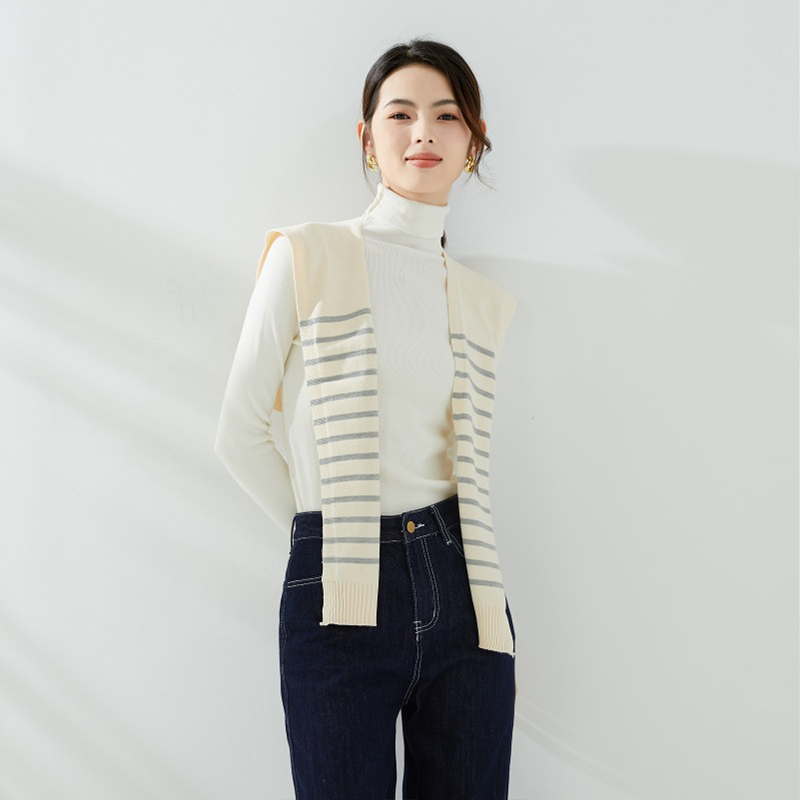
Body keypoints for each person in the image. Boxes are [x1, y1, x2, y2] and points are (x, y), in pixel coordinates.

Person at [215, 37, 519, 800]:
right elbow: (240, 432)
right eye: (401, 114)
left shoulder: (482, 303)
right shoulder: (306, 255)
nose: (424, 133)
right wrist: (327, 539)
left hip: (467, 588)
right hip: (339, 589)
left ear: (474, 141)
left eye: (447, 116)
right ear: (367, 136)